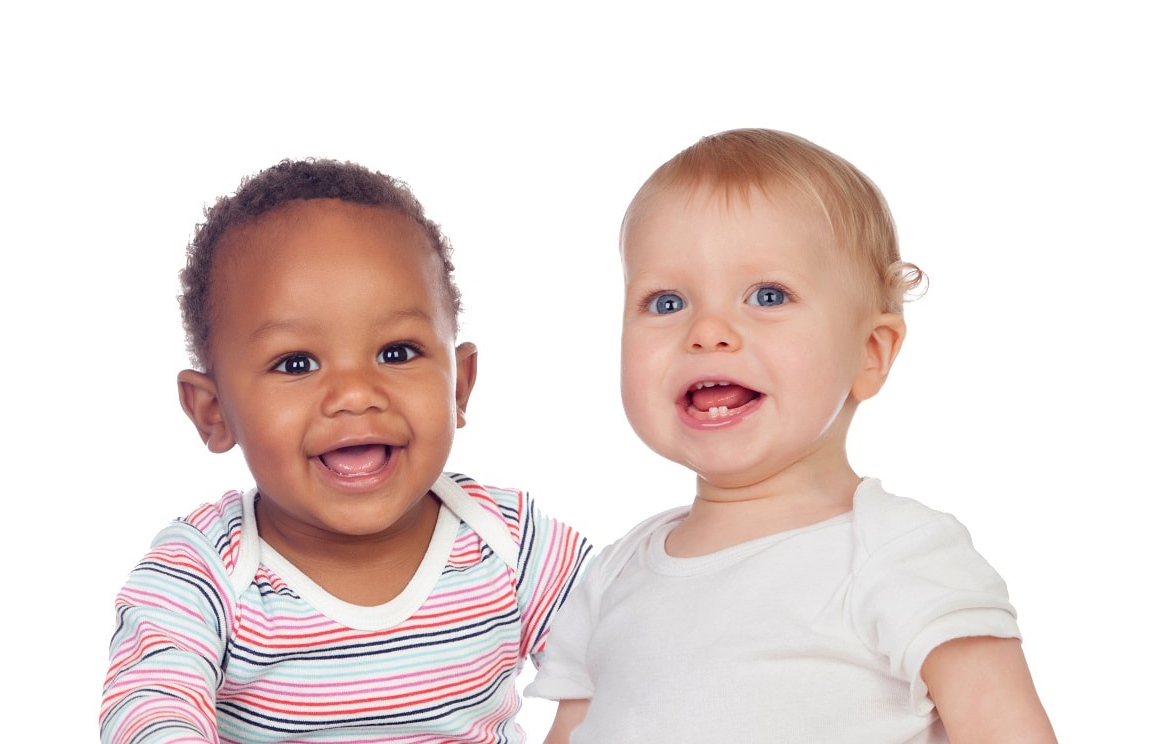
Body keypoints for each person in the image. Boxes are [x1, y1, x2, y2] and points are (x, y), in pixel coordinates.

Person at [527, 129, 1056, 742]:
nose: (708, 331)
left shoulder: (897, 553)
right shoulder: (612, 577)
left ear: (869, 352)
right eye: (667, 302)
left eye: (768, 295)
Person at [101, 159, 591, 744]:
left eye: (397, 352)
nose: (356, 394)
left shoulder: (511, 542)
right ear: (214, 411)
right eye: (296, 363)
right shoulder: (202, 573)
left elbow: (636, 650)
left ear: (458, 385)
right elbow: (150, 713)